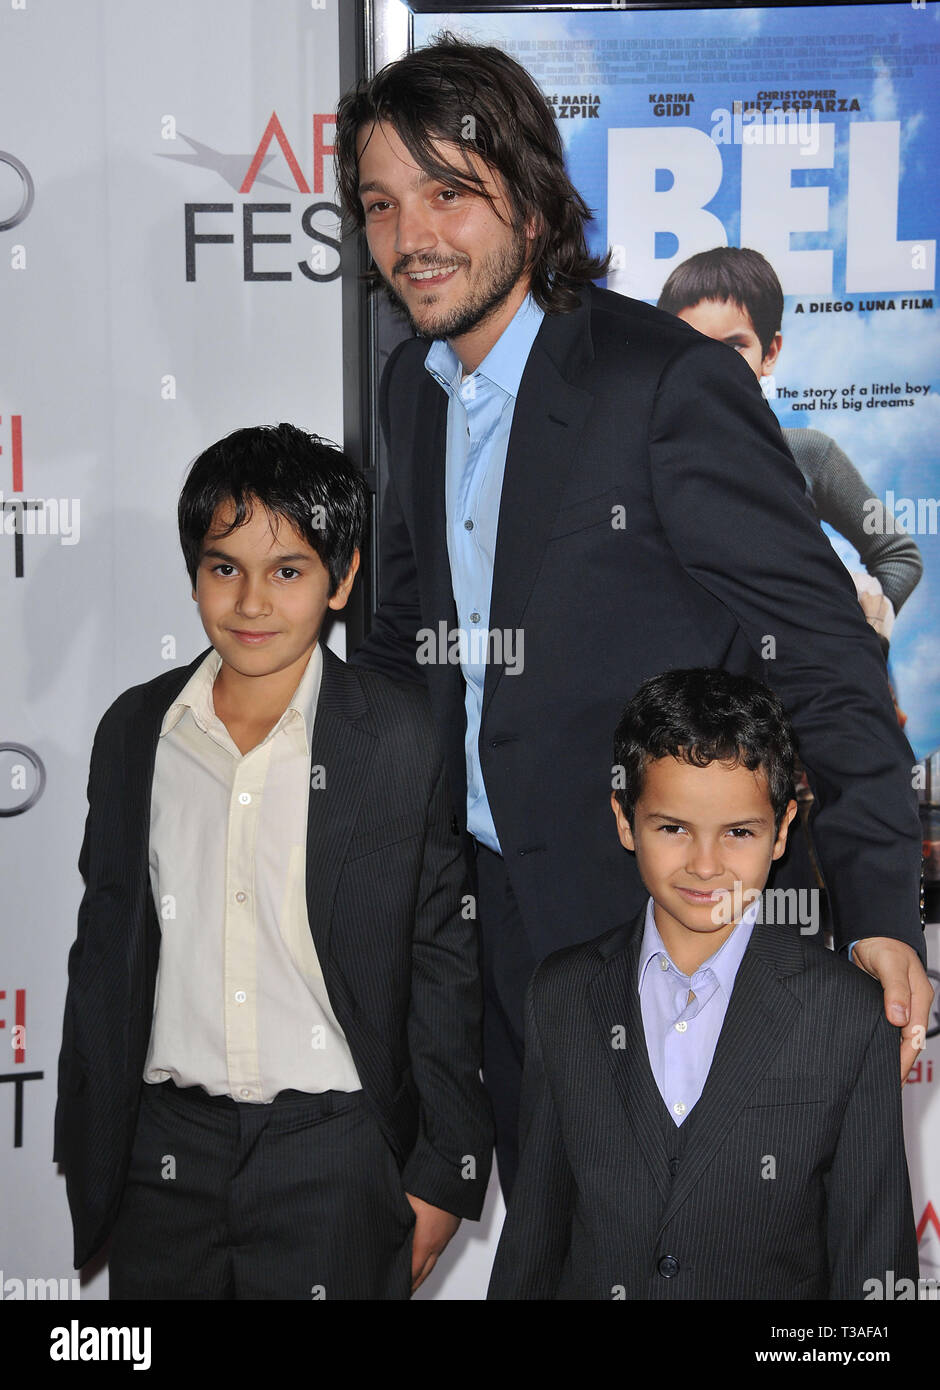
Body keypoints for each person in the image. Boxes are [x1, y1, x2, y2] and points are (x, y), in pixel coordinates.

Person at [334, 34, 930, 1193]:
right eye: (379, 203)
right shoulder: (412, 387)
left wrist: (880, 909)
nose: (412, 237)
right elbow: (408, 657)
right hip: (493, 932)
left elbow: (820, 653)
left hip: (670, 925)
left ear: (533, 197)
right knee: (555, 1249)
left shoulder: (660, 382)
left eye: (449, 193)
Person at [54, 423, 492, 1299]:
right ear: (192, 574)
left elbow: (441, 961)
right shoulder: (137, 732)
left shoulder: (400, 738)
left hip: (335, 1158)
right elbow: (104, 944)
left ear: (344, 580)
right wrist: (93, 1135)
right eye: (226, 568)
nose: (253, 601)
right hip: (163, 1156)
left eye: (288, 571)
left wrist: (447, 1169)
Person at [488, 669, 918, 1299]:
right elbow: (534, 1241)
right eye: (673, 828)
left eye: (739, 832)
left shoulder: (847, 1013)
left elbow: (872, 1271)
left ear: (783, 828)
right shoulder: (564, 994)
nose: (706, 864)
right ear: (625, 820)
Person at [657, 246, 923, 649]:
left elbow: (897, 554)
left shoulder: (809, 454)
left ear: (771, 352)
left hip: (802, 697)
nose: (714, 366)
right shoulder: (648, 463)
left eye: (734, 347)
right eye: (693, 345)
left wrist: (860, 632)